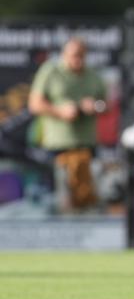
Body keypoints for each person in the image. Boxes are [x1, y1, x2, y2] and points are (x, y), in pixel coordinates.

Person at [27, 37, 107, 209]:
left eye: (81, 56)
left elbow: (106, 105)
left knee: (86, 199)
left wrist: (94, 106)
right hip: (57, 149)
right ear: (64, 54)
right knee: (58, 199)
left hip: (86, 148)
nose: (77, 60)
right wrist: (59, 111)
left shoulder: (93, 75)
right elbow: (34, 104)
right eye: (73, 55)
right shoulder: (51, 71)